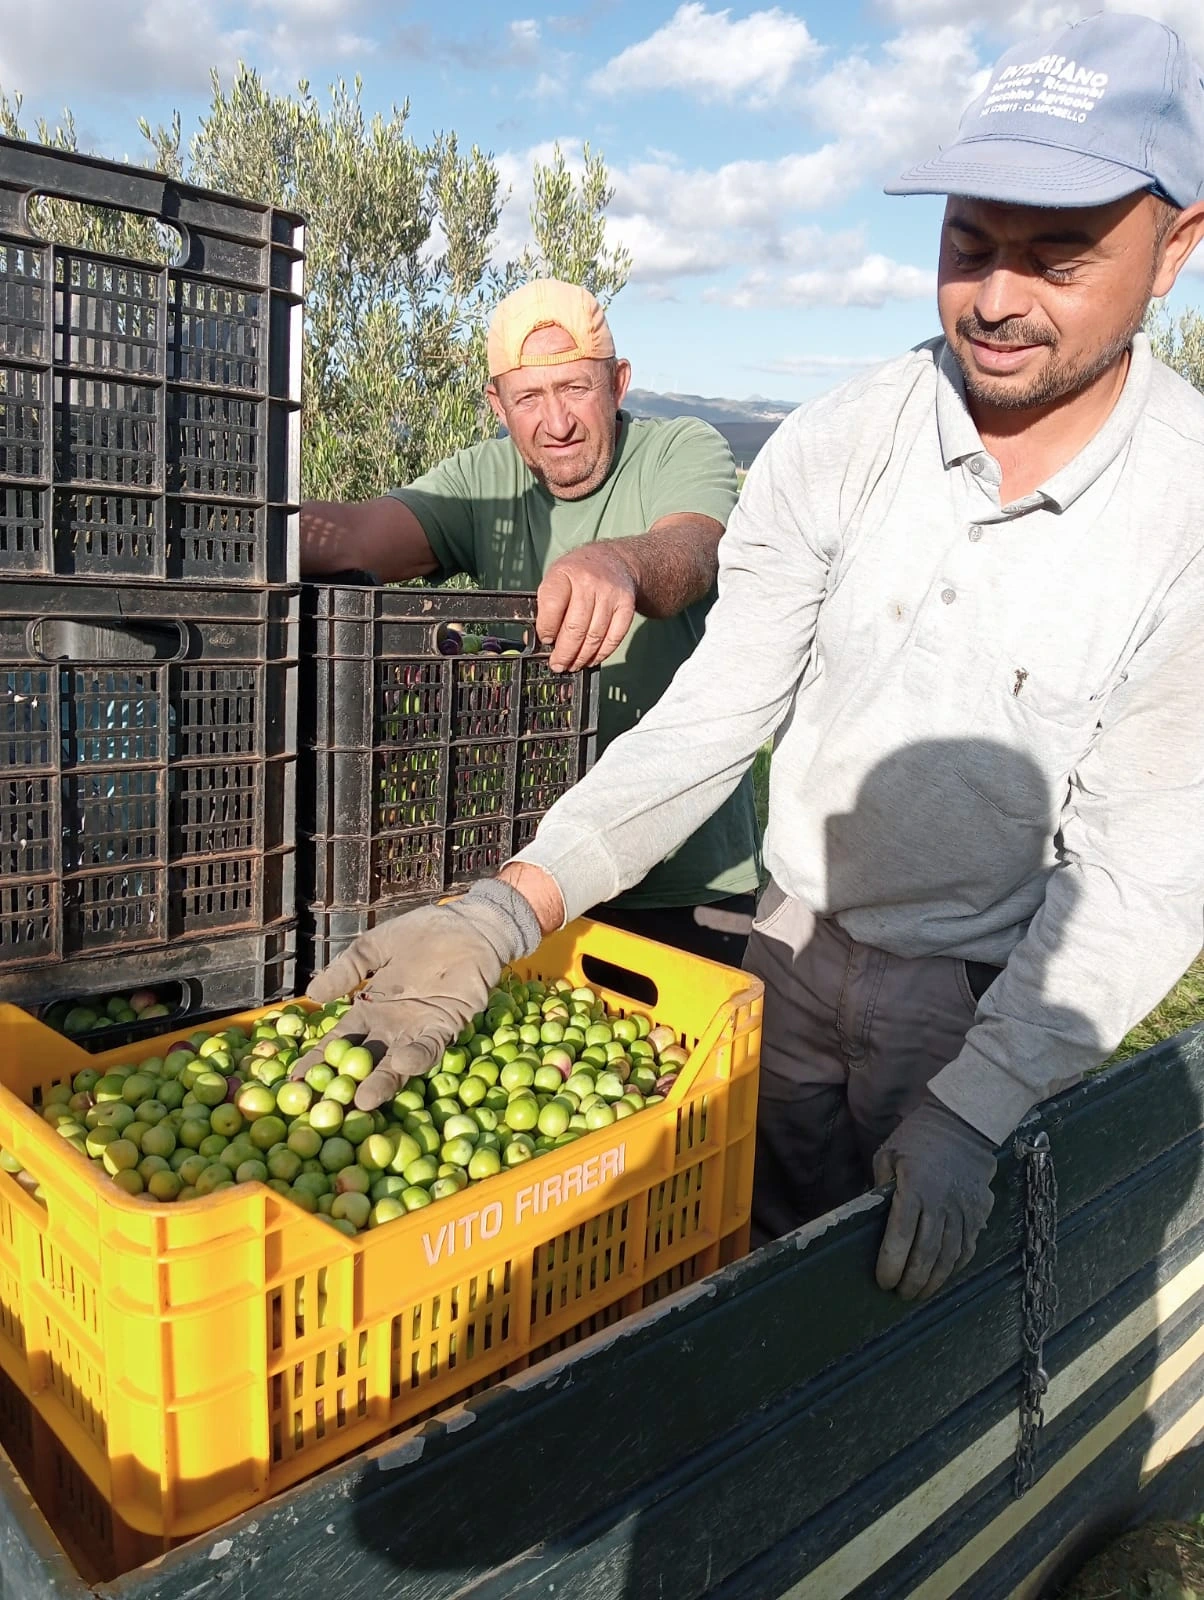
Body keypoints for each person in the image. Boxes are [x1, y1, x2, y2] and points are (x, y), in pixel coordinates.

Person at [292, 11, 1204, 1303]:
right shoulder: (842, 439)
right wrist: (510, 906)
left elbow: (1143, 869)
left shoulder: (1186, 516)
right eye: (967, 245)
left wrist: (975, 1106)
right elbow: (714, 712)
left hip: (980, 996)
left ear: (1176, 245)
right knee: (754, 1278)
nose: (996, 299)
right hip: (781, 955)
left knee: (918, 1315)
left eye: (1056, 259)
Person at [301, 278, 761, 965]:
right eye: (528, 398)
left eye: (576, 389)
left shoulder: (679, 449)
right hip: (529, 873)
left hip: (683, 878)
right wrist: (244, 521)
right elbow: (358, 537)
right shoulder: (484, 477)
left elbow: (695, 548)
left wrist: (619, 564)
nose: (557, 422)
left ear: (618, 383)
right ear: (497, 404)